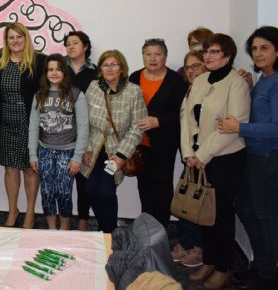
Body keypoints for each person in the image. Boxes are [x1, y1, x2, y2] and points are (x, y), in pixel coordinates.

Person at [218, 26, 278, 289]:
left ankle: (266, 275)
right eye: (254, 48)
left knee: (265, 216)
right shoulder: (265, 78)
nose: (258, 53)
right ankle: (260, 263)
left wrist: (239, 128)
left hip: (271, 157)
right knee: (245, 207)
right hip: (255, 156)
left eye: (265, 48)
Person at [180, 33, 250, 289]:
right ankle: (209, 260)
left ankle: (224, 267)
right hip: (198, 157)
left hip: (225, 158)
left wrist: (202, 155)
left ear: (228, 56)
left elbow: (232, 126)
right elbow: (187, 117)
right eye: (206, 52)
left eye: (214, 52)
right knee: (204, 213)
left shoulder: (236, 84)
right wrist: (189, 151)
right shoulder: (200, 80)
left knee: (221, 216)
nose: (208, 56)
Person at [82, 50, 146, 233]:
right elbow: (84, 120)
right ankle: (106, 227)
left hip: (117, 151)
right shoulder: (94, 87)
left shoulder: (133, 91)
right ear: (100, 69)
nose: (109, 68)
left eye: (114, 64)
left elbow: (137, 128)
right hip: (94, 149)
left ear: (122, 68)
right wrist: (86, 148)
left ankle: (110, 233)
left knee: (106, 192)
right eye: (105, 65)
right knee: (90, 190)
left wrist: (121, 156)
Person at [128, 38, 186, 228]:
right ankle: (146, 228)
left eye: (157, 54)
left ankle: (161, 229)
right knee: (144, 186)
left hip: (164, 144)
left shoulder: (176, 81)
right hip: (139, 144)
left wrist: (158, 121)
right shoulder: (134, 77)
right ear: (143, 56)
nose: (152, 58)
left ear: (165, 56)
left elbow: (182, 113)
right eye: (148, 54)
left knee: (162, 187)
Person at [0, 22, 46, 229]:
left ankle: (30, 212)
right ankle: (12, 210)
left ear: (26, 38)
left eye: (19, 36)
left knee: (30, 169)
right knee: (10, 168)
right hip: (5, 122)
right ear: (6, 41)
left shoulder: (39, 61)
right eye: (11, 37)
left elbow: (57, 77)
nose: (15, 41)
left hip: (29, 122)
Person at [28, 54, 89, 230]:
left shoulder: (76, 94)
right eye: (50, 69)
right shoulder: (39, 95)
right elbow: (33, 126)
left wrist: (77, 157)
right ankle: (51, 228)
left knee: (64, 192)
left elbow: (83, 126)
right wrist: (33, 154)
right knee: (47, 192)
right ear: (45, 73)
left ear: (65, 72)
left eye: (58, 69)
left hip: (68, 151)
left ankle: (64, 228)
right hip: (45, 150)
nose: (54, 73)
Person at [171, 51, 207, 267]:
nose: (192, 71)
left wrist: (200, 155)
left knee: (202, 203)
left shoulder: (212, 90)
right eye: (188, 67)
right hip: (190, 155)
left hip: (206, 156)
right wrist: (188, 154)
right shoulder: (187, 91)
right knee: (186, 199)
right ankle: (186, 243)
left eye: (197, 65)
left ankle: (198, 248)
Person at [64, 30, 98, 231]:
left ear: (85, 46)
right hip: (62, 131)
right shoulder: (59, 69)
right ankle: (64, 219)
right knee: (62, 179)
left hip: (87, 130)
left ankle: (83, 220)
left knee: (83, 179)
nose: (71, 46)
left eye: (75, 43)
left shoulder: (96, 73)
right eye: (68, 44)